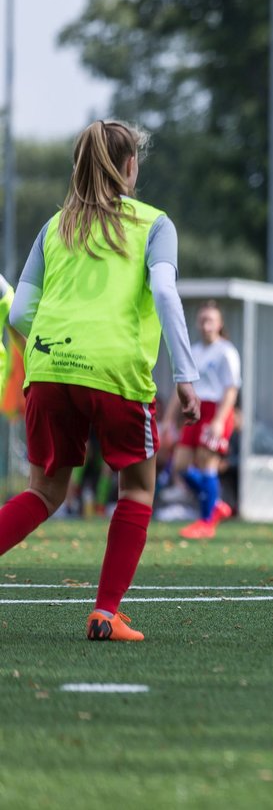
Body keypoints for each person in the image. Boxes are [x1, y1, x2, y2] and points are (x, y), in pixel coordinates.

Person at [0, 120, 200, 641]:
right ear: (130, 166)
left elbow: (20, 312)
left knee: (44, 493)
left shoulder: (55, 226)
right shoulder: (154, 224)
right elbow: (164, 293)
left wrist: (45, 354)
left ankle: (107, 611)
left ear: (77, 166)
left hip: (48, 368)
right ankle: (105, 612)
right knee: (136, 489)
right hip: (114, 372)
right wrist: (185, 376)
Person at [168, 300, 241, 540]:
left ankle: (207, 522)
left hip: (216, 411)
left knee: (207, 465)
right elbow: (182, 387)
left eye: (210, 320)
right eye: (202, 320)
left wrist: (220, 420)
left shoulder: (226, 351)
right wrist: (169, 419)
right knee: (180, 467)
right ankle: (216, 503)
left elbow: (231, 390)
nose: (205, 324)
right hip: (197, 410)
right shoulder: (195, 351)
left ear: (219, 324)